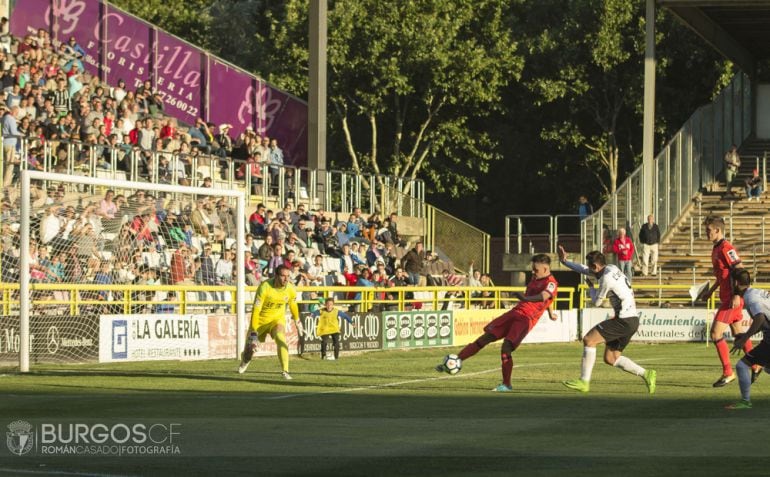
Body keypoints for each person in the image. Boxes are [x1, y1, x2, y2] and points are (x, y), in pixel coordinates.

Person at [435, 254, 558, 392]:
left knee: (506, 347)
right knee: (485, 338)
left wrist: (525, 298)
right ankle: (455, 361)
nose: (533, 272)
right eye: (533, 269)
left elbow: (545, 296)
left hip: (526, 319)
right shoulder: (535, 278)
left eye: (536, 270)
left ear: (545, 269)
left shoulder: (551, 283)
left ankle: (506, 384)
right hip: (515, 312)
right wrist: (550, 312)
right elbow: (549, 300)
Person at [558, 246, 656, 394]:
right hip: (632, 320)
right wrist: (565, 262)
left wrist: (591, 288)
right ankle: (647, 374)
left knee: (589, 340)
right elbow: (584, 269)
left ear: (596, 266)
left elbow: (597, 302)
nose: (589, 270)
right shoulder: (611, 267)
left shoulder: (606, 279)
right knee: (611, 358)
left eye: (591, 268)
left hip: (623, 320)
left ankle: (584, 382)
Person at [696, 215, 758, 387]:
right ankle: (756, 364)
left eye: (708, 230)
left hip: (731, 300)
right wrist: (710, 291)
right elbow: (722, 275)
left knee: (715, 334)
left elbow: (741, 271)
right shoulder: (716, 248)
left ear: (717, 230)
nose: (706, 233)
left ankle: (728, 372)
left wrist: (737, 295)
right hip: (727, 297)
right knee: (738, 333)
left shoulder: (726, 248)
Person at [238, 265, 304, 380]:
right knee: (249, 352)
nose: (286, 279)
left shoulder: (290, 288)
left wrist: (297, 320)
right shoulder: (265, 287)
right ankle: (245, 359)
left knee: (281, 338)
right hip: (260, 322)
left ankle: (285, 371)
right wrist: (253, 333)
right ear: (276, 276)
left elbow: (293, 304)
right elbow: (256, 310)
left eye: (288, 276)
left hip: (276, 320)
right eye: (283, 276)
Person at [724, 269, 770, 409]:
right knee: (768, 368)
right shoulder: (757, 292)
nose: (730, 286)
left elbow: (760, 318)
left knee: (742, 365)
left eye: (731, 282)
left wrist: (744, 339)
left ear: (736, 283)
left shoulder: (750, 298)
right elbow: (764, 319)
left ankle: (745, 401)